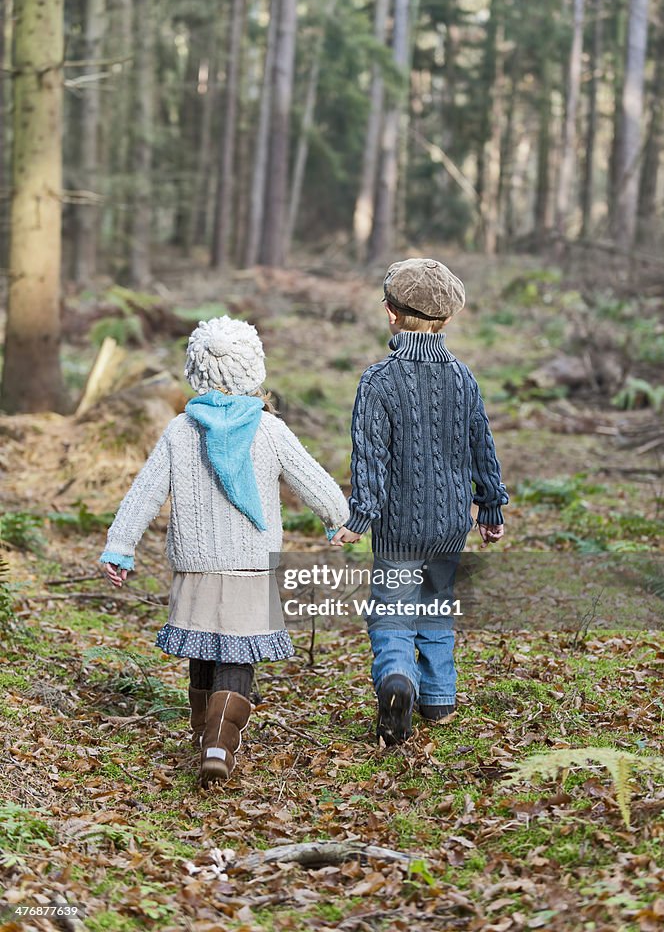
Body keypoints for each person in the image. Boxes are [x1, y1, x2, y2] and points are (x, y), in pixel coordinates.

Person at [100, 315, 348, 785]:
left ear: (196, 370)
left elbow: (145, 493)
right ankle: (220, 742)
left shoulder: (181, 430)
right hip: (250, 568)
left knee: (202, 647)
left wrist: (120, 546)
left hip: (195, 565)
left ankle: (202, 734)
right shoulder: (270, 431)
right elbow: (312, 479)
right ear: (254, 368)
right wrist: (340, 519)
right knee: (237, 656)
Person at [331, 259, 508, 745]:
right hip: (451, 522)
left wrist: (360, 517)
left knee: (392, 612)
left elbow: (369, 457)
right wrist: (490, 508)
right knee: (437, 608)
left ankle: (397, 681)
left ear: (390, 313)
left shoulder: (377, 381)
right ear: (447, 320)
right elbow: (482, 447)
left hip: (399, 528)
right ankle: (440, 702)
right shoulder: (463, 378)